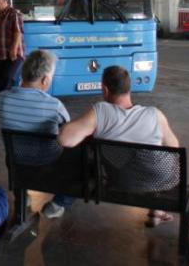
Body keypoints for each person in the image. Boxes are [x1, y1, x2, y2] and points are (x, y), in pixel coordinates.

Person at [57, 65, 180, 227]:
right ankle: (157, 210)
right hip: (158, 181)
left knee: (119, 162)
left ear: (105, 89)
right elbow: (174, 148)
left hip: (119, 181)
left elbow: (65, 140)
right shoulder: (155, 115)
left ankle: (58, 203)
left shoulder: (101, 112)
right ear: (129, 89)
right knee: (148, 163)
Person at [0, 50, 72, 219]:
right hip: (48, 164)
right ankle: (58, 204)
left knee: (14, 150)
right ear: (45, 80)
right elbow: (68, 133)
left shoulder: (2, 98)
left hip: (17, 163)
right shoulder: (55, 106)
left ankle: (22, 196)